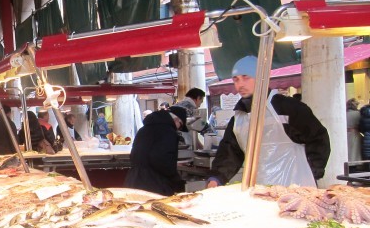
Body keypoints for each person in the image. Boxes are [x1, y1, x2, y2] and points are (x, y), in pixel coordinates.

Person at [206, 56, 330, 188]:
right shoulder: (238, 119)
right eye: (236, 79)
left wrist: (311, 172)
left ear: (261, 77)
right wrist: (216, 178)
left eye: (246, 77)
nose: (240, 84)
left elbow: (318, 139)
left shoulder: (289, 108)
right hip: (258, 190)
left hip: (296, 189)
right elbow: (229, 153)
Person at [124, 105, 188, 195]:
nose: (178, 128)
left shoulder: (143, 129)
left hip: (133, 180)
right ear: (176, 119)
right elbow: (161, 160)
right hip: (154, 185)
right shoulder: (168, 131)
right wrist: (176, 180)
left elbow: (136, 155)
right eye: (180, 125)